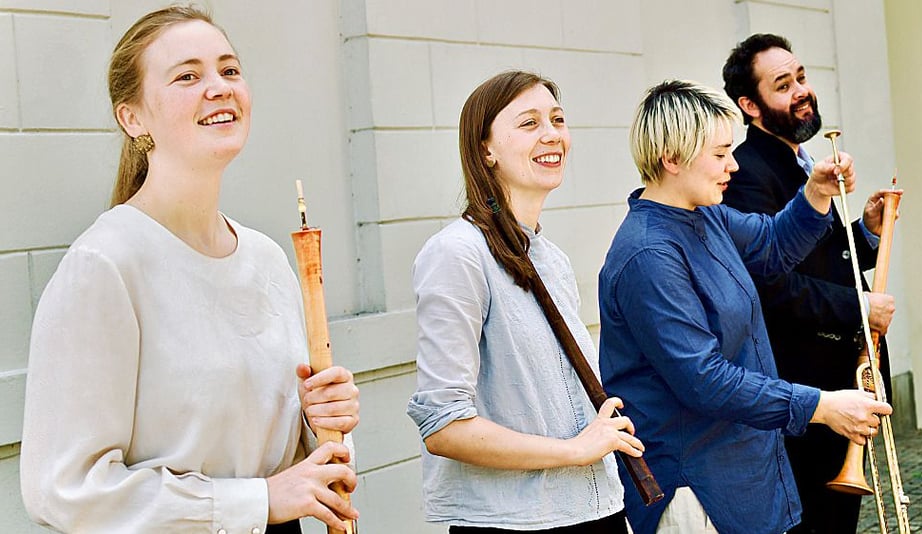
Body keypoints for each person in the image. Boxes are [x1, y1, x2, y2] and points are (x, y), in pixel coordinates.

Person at [20, 6, 359, 533]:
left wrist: (319, 426)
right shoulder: (103, 266)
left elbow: (284, 459)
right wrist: (257, 501)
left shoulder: (268, 258)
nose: (219, 87)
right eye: (187, 76)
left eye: (229, 70)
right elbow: (64, 490)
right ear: (132, 118)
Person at [597, 80, 892, 534]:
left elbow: (772, 245)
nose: (732, 165)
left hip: (747, 471)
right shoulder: (649, 255)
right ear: (670, 159)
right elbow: (705, 381)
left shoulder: (705, 213)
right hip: (697, 489)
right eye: (718, 154)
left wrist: (815, 192)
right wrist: (821, 406)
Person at [406, 70, 644, 533]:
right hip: (516, 523)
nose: (552, 134)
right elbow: (444, 426)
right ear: (485, 149)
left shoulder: (549, 259)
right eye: (529, 123)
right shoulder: (456, 253)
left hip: (595, 510)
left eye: (557, 119)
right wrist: (576, 449)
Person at [721, 33, 899, 534]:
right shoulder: (745, 174)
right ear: (750, 105)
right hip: (801, 382)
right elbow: (771, 284)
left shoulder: (798, 157)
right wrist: (858, 307)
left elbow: (818, 257)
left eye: (801, 77)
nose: (802, 90)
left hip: (836, 375)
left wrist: (864, 232)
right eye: (783, 84)